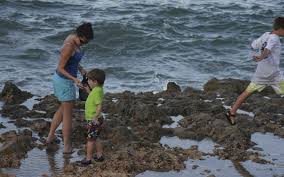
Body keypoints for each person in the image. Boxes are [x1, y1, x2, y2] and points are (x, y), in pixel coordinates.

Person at [226, 17, 284, 125]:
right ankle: (232, 112)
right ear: (280, 29)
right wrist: (262, 56)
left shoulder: (266, 35)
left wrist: (257, 54)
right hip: (273, 74)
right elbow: (268, 49)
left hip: (261, 73)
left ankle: (232, 112)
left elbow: (254, 44)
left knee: (247, 92)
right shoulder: (275, 38)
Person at [46, 23, 94, 154]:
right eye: (84, 41)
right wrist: (75, 79)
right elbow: (60, 68)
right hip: (64, 81)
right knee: (67, 116)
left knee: (63, 109)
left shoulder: (73, 38)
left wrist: (81, 69)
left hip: (65, 80)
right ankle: (67, 147)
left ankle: (50, 136)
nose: (84, 44)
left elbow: (71, 61)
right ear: (80, 36)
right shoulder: (69, 46)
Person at [80, 69, 105, 166]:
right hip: (95, 119)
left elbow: (99, 105)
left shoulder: (97, 91)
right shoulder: (97, 89)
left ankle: (88, 159)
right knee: (96, 138)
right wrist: (88, 91)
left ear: (95, 82)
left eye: (89, 80)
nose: (88, 82)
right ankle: (99, 155)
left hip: (93, 120)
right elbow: (94, 98)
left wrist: (95, 117)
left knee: (90, 140)